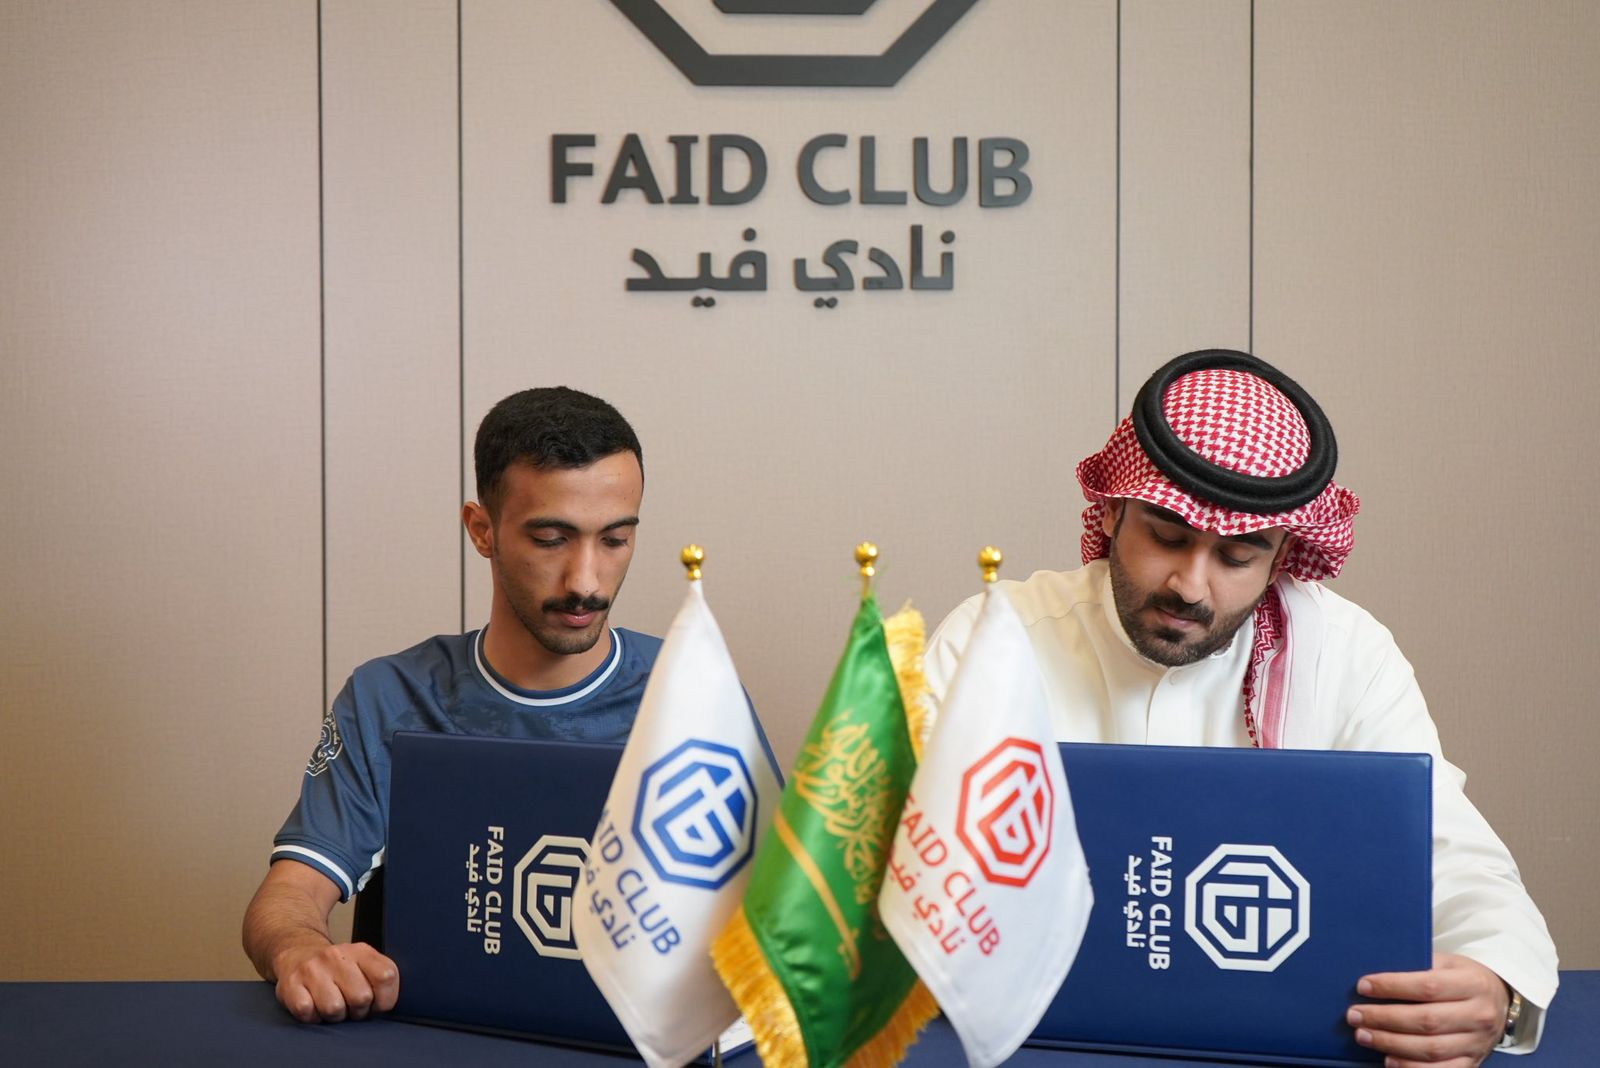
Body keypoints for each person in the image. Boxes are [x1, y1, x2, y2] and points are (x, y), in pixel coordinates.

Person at [924, 350, 1558, 1064]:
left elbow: (1455, 858)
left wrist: (1493, 984)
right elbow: (893, 851)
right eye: (1167, 536)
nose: (1190, 586)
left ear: (1282, 555)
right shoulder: (996, 641)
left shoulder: (1344, 654)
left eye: (1237, 556)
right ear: (1112, 512)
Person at [243, 386, 658, 1024]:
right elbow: (292, 890)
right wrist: (300, 949)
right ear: (482, 530)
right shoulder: (391, 697)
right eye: (551, 538)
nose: (585, 580)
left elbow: (773, 914)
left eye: (615, 539)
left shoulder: (689, 694)